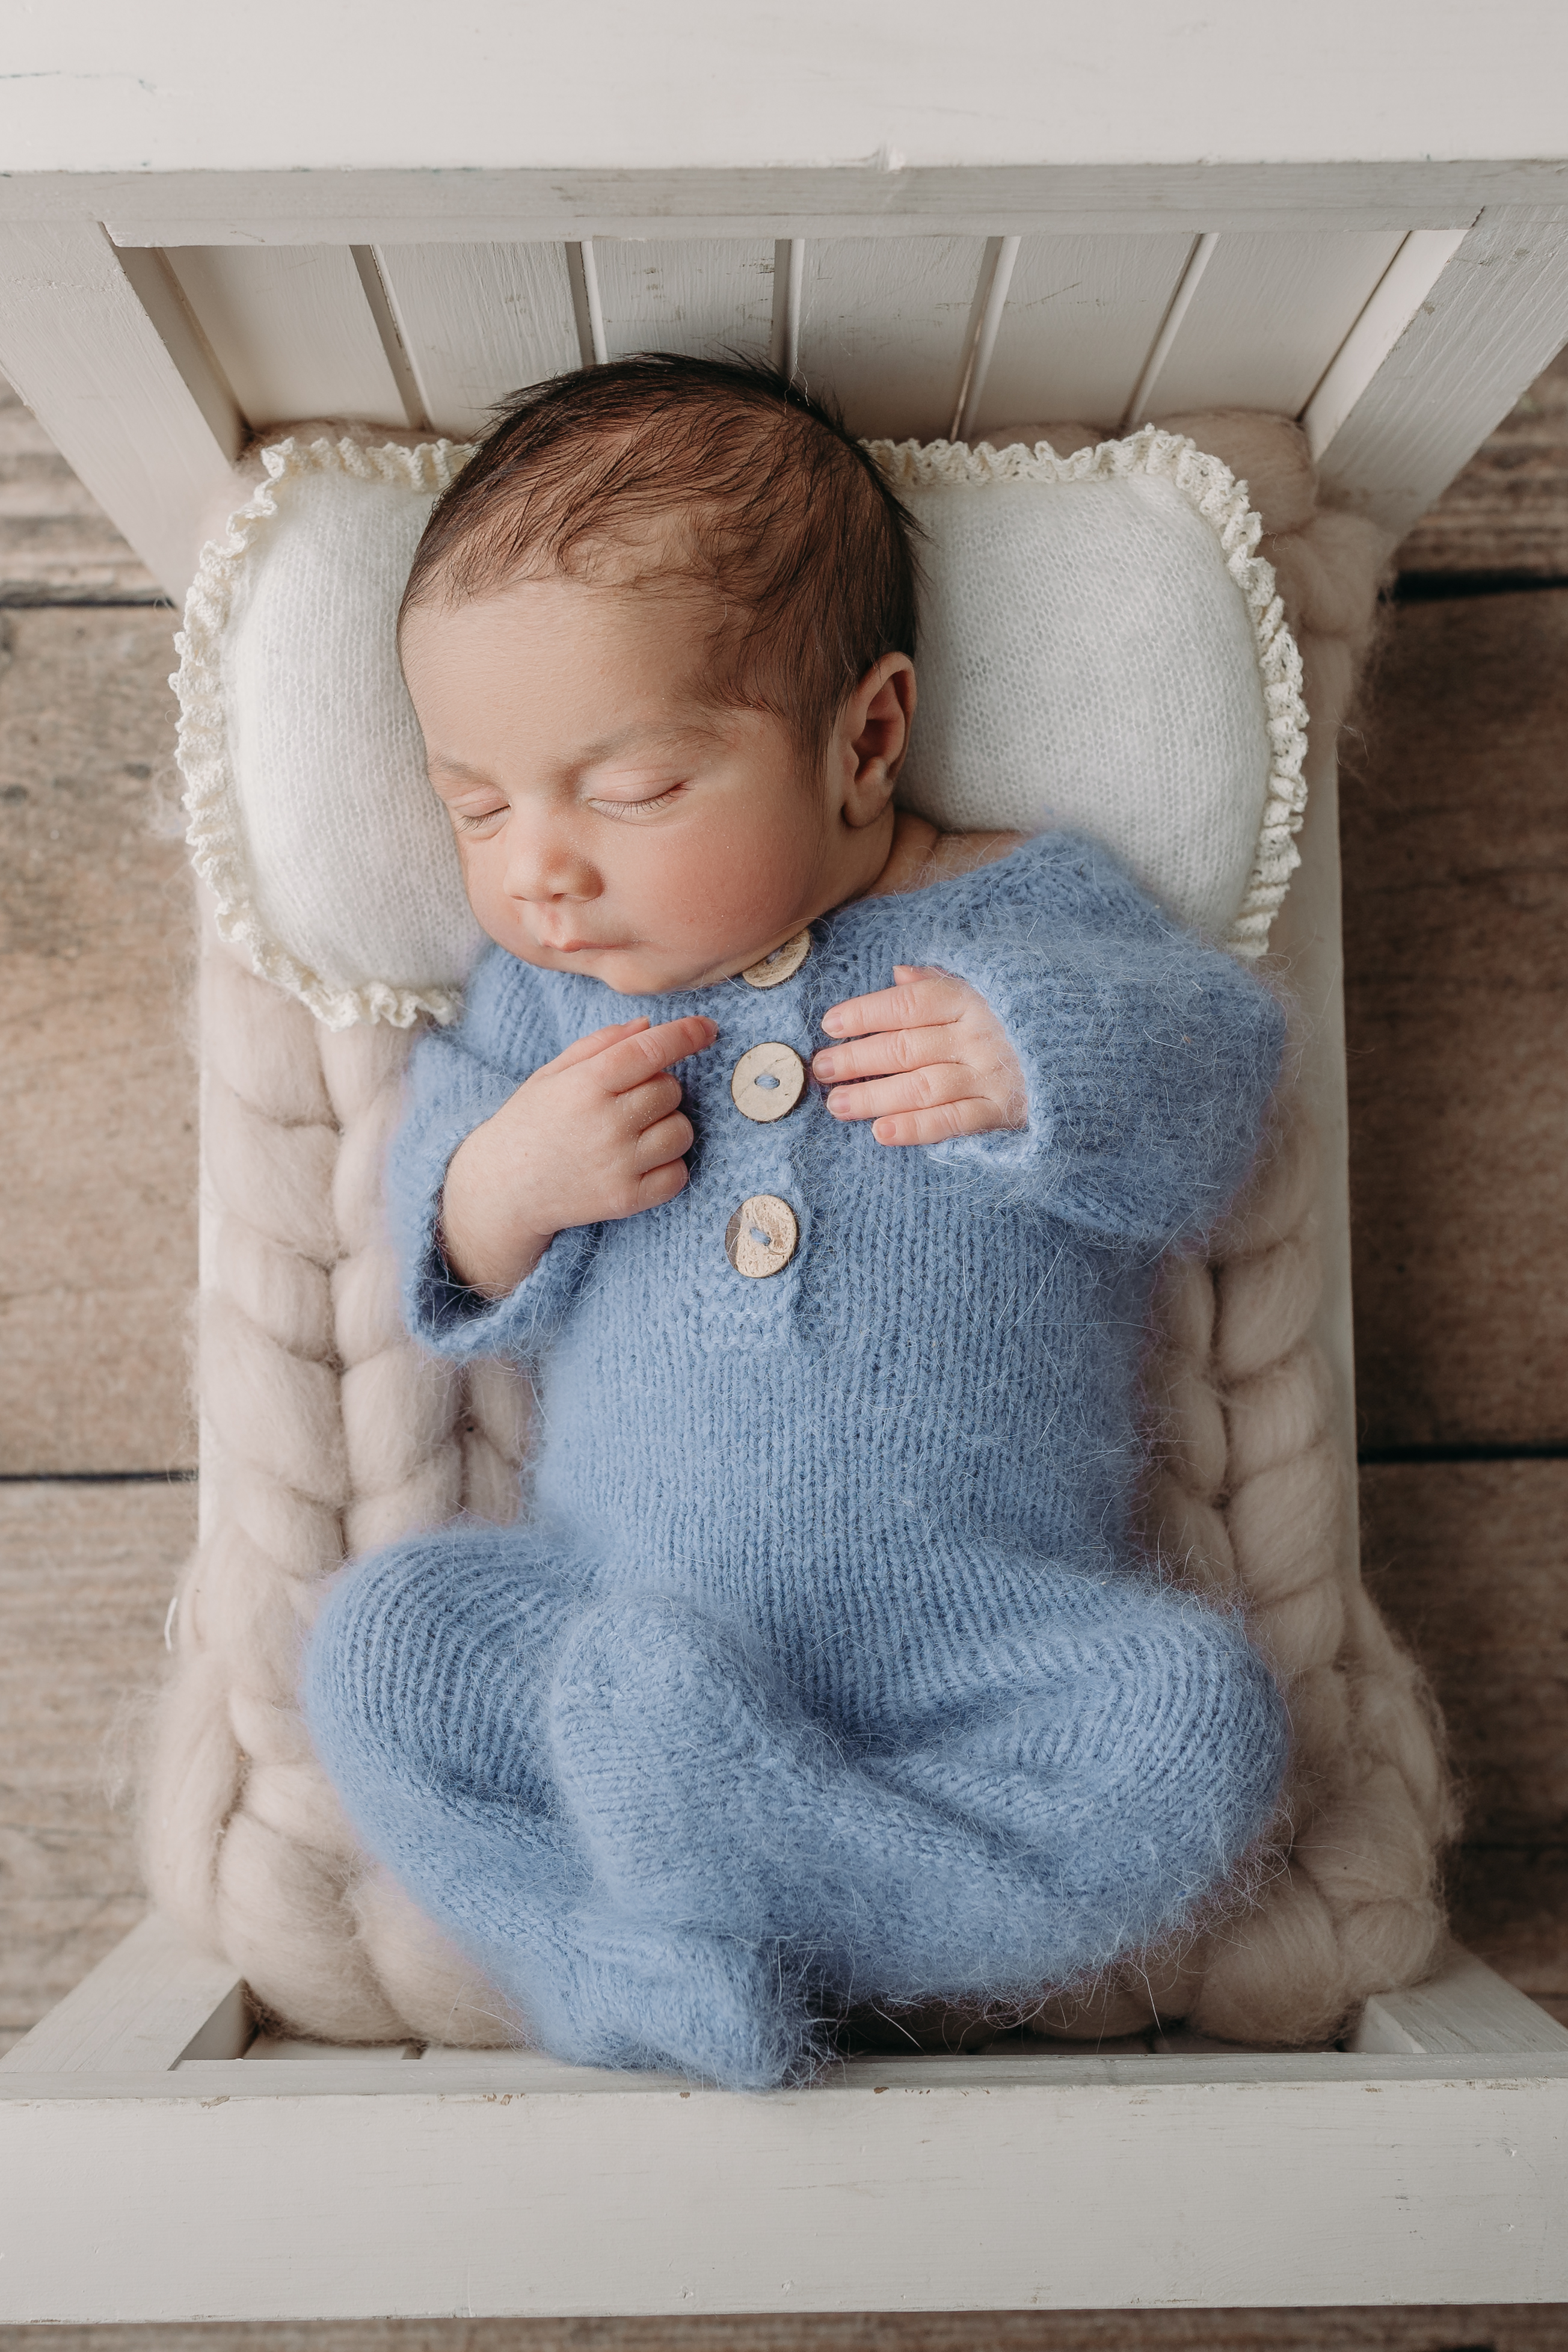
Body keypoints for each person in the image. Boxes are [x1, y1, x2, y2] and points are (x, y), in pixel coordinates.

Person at [303, 355, 1291, 2089]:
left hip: (985, 1648)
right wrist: (508, 1185)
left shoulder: (1027, 911)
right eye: (477, 803)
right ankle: (606, 1956)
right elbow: (441, 1249)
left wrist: (1034, 1057)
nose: (539, 867)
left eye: (624, 791)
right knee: (388, 1651)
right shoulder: (544, 997)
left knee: (1192, 1730)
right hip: (632, 1636)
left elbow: (1218, 1094)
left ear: (865, 740)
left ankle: (762, 1871)